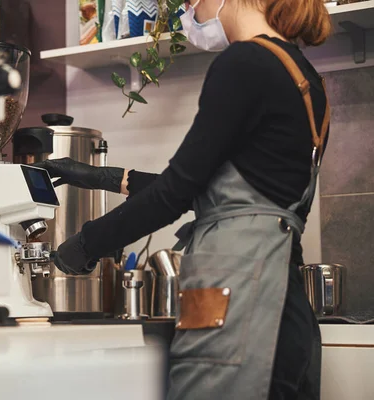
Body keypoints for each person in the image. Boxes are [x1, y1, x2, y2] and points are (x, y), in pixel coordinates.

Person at [35, 0, 332, 399]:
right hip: (289, 317)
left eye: (190, 0)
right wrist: (102, 176)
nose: (187, 9)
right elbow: (224, 196)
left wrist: (84, 245)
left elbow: (175, 194)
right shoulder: (306, 79)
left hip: (242, 312)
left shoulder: (245, 62)